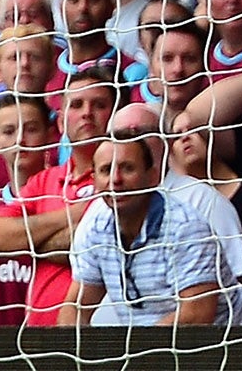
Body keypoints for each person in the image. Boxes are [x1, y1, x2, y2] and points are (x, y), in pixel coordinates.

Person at [59, 136, 224, 326]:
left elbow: (197, 315)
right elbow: (75, 307)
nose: (115, 179)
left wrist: (132, 352)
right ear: (94, 181)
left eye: (128, 168)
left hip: (241, 345)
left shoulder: (185, 228)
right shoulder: (96, 228)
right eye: (106, 170)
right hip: (151, 348)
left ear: (153, 177)